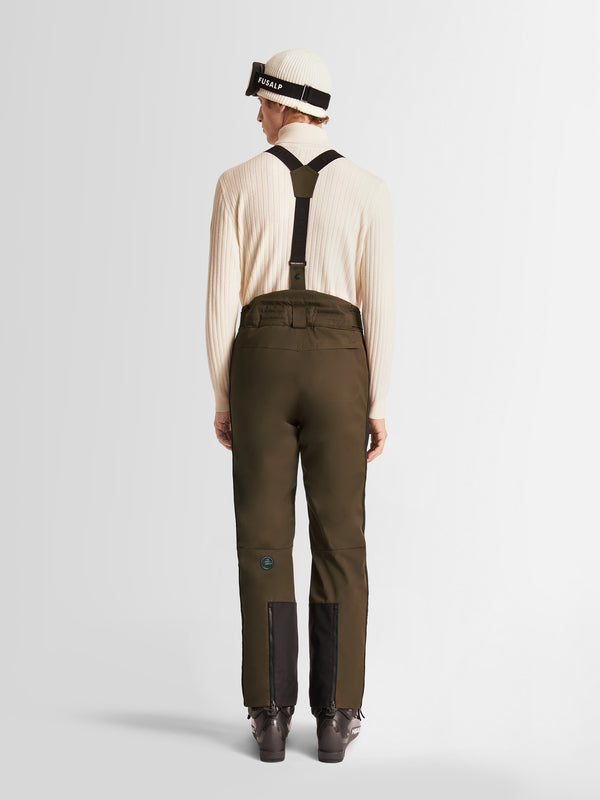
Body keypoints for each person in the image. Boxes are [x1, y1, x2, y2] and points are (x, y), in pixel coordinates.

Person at [205, 48, 395, 762]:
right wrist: (378, 398)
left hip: (260, 361)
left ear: (286, 103)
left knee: (262, 541)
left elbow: (220, 303)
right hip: (342, 363)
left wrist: (222, 393)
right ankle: (338, 716)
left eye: (263, 104)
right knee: (340, 539)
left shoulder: (235, 183)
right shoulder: (369, 189)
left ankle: (270, 715)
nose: (259, 117)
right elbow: (382, 302)